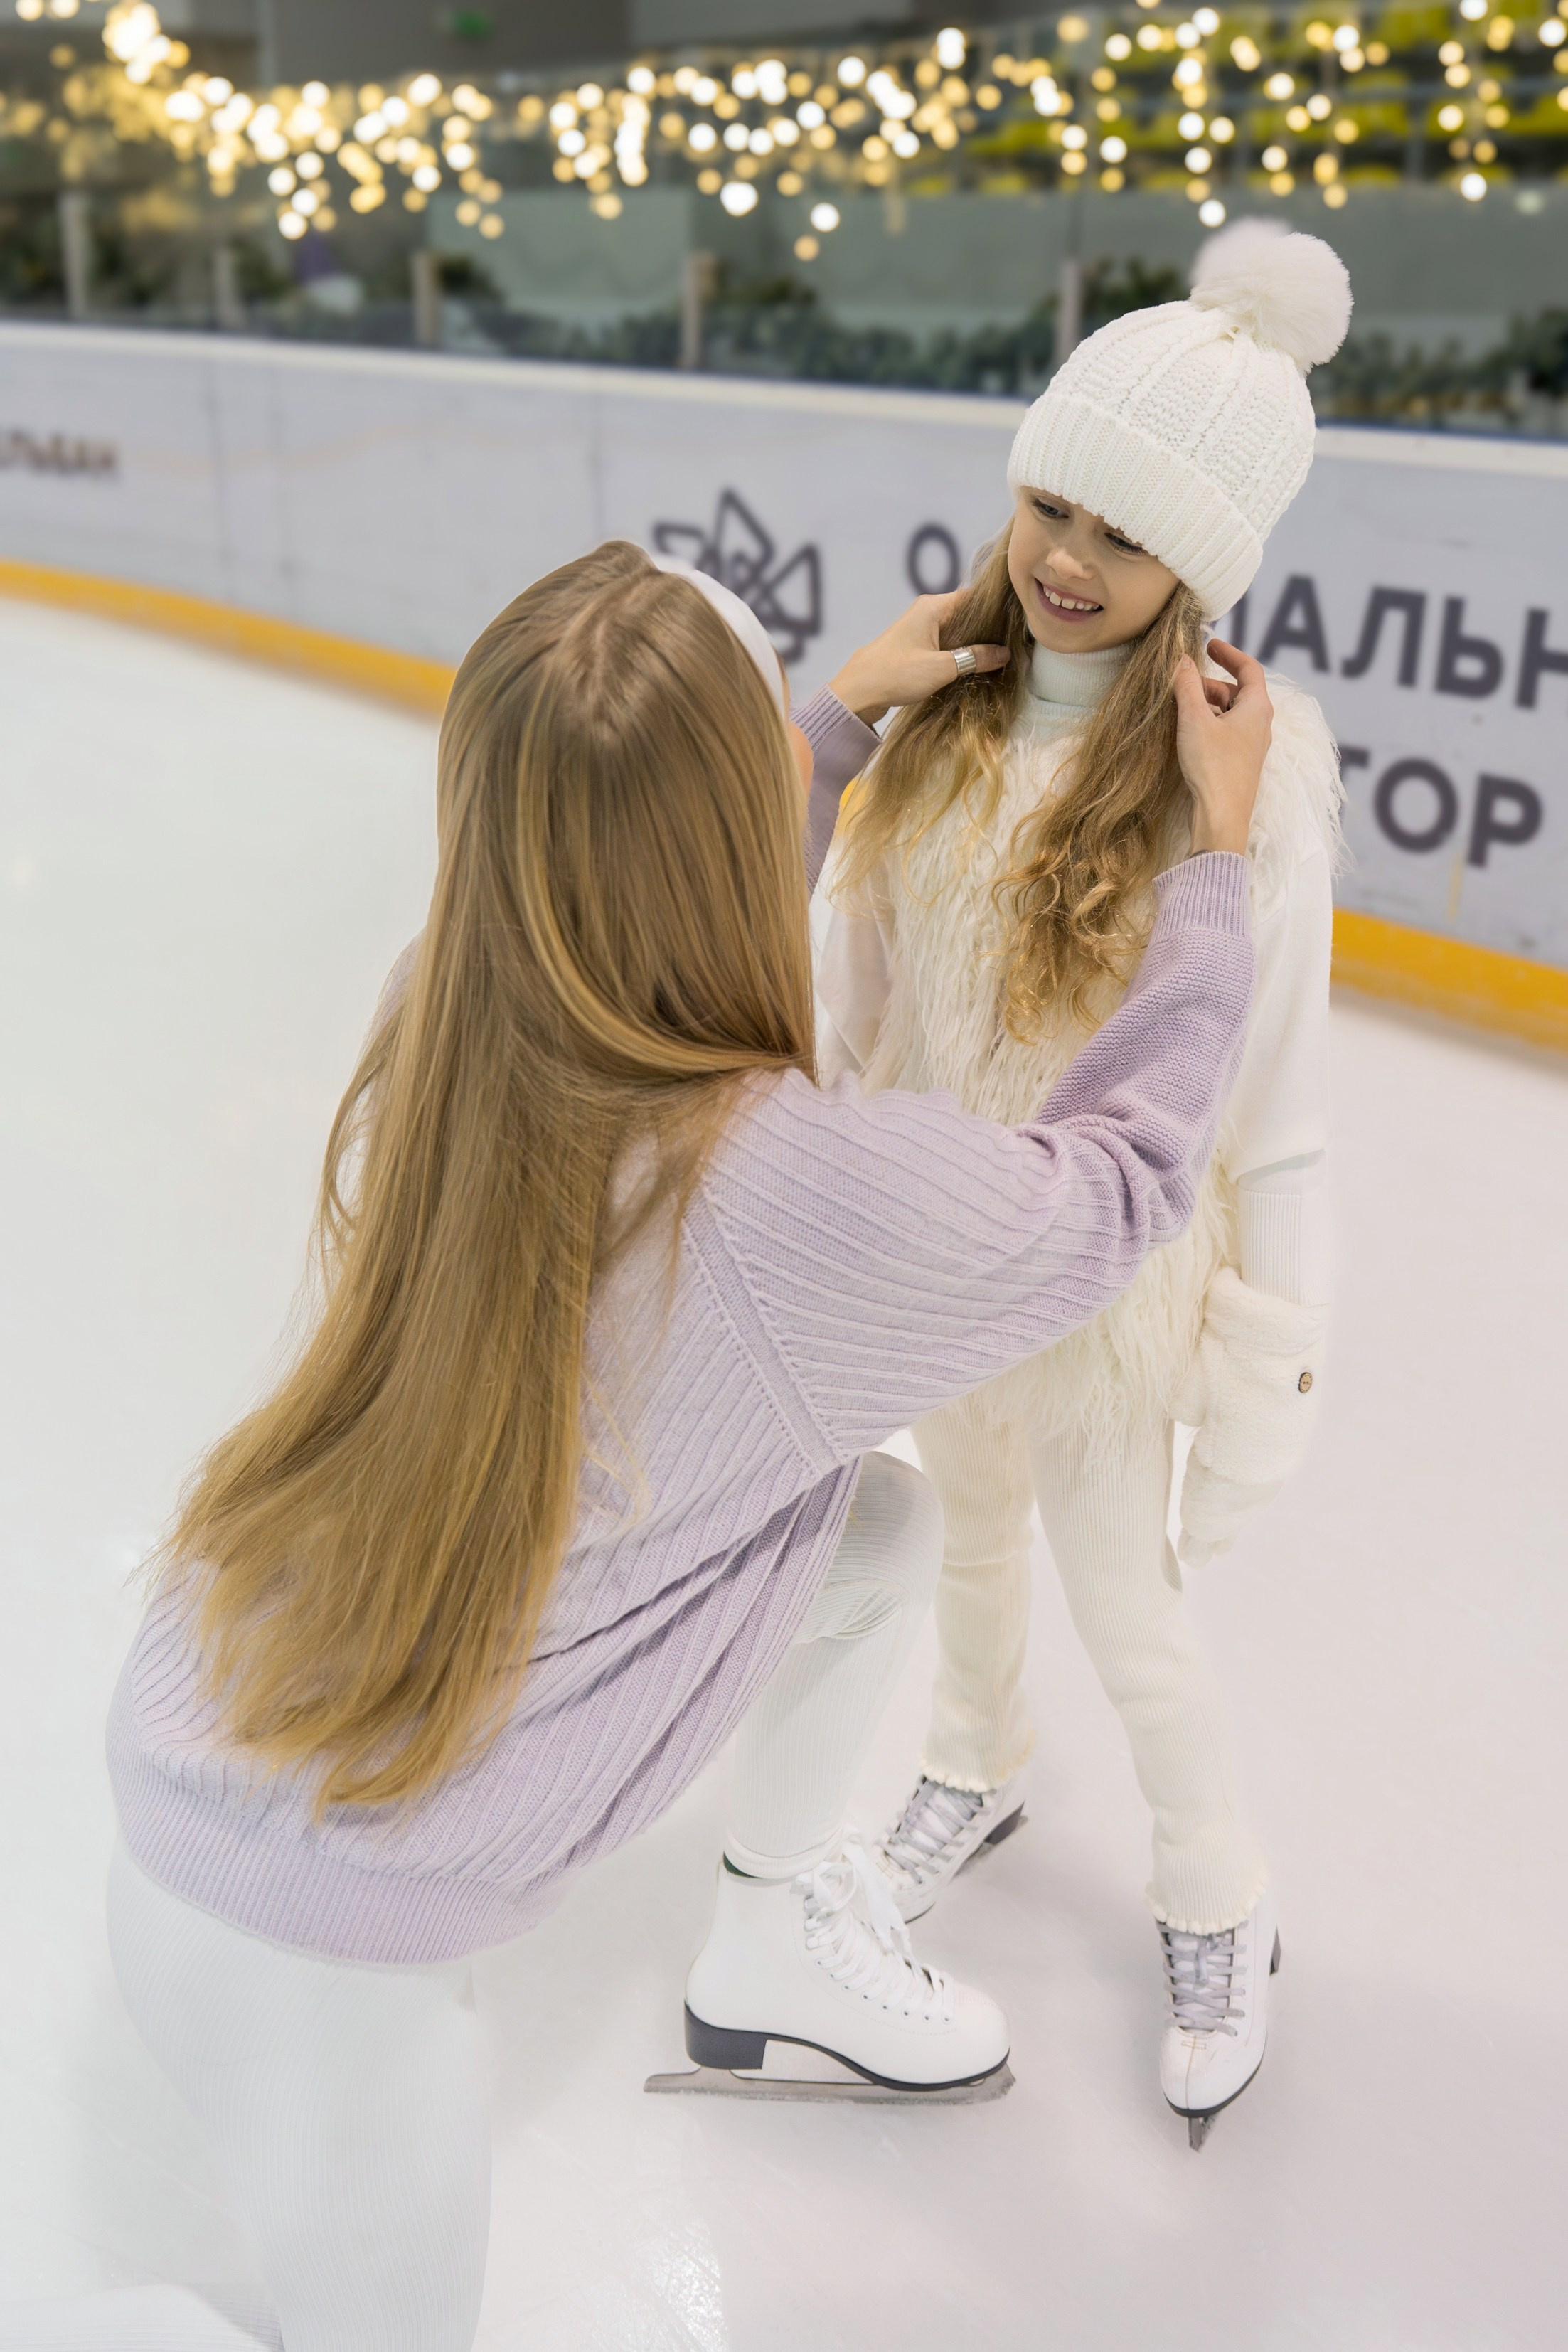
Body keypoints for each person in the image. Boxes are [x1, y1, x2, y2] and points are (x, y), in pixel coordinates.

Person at [4, 538, 1269, 2351]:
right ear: (734, 829)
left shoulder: (439, 1008)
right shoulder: (801, 1202)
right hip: (322, 1951)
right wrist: (1210, 868)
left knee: (868, 1536)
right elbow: (1120, 1184)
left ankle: (765, 1940)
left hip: (204, 1749)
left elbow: (619, 863)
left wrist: (824, 721)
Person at [812, 220, 1351, 2147]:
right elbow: (857, 1006)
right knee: (959, 1533)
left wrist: (1268, 1356)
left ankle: (1217, 1894)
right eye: (1049, 498)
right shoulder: (935, 716)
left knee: (1131, 1613)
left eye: (1120, 537)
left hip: (1112, 1288)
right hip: (937, 1242)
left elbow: (1271, 1095)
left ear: (1191, 562)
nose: (1064, 555)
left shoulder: (1247, 790)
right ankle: (971, 1756)